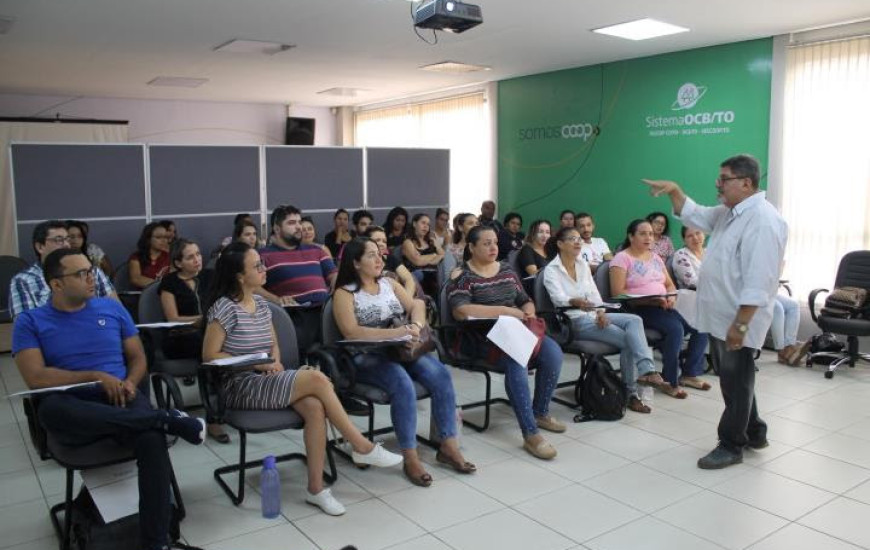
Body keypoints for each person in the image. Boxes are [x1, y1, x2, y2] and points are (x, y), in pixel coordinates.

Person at [13, 248, 207, 550]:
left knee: (152, 441)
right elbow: (35, 377)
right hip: (73, 405)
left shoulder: (112, 309)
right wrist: (95, 377)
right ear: (56, 284)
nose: (91, 278)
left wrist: (130, 381)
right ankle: (163, 417)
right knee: (51, 411)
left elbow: (137, 357)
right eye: (80, 274)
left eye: (91, 271)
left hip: (121, 399)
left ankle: (156, 543)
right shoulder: (30, 321)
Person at [202, 242, 403, 515]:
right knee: (318, 380)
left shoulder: (261, 303)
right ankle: (361, 445)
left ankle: (316, 489)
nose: (264, 269)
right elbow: (210, 355)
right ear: (239, 275)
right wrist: (259, 364)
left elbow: (273, 345)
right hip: (240, 383)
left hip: (268, 378)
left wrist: (272, 360)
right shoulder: (225, 307)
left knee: (315, 407)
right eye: (257, 266)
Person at [643, 153, 788, 469]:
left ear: (746, 183)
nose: (717, 184)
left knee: (734, 380)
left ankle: (731, 444)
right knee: (736, 376)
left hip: (740, 317)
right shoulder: (730, 212)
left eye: (724, 179)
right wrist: (674, 190)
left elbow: (760, 277)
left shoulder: (764, 220)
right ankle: (754, 430)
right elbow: (696, 214)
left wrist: (742, 323)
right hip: (723, 314)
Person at [333, 238, 475, 487]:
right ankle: (410, 456)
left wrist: (415, 328)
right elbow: (351, 332)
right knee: (402, 383)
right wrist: (395, 334)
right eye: (370, 256)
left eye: (379, 255)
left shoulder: (388, 283)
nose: (379, 260)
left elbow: (417, 304)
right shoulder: (344, 293)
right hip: (366, 357)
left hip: (400, 350)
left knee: (440, 374)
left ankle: (448, 446)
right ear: (355, 263)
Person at [447, 225, 565, 460]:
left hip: (515, 331)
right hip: (481, 338)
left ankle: (540, 412)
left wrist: (528, 311)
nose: (493, 247)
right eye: (486, 243)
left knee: (553, 352)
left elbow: (524, 300)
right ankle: (530, 433)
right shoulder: (463, 276)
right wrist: (504, 311)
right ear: (471, 247)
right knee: (516, 358)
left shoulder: (507, 270)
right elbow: (461, 310)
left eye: (494, 242)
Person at [543, 227, 665, 413]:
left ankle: (647, 371)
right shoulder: (551, 270)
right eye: (572, 239)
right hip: (573, 321)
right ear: (560, 244)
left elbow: (594, 294)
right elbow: (558, 299)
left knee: (634, 321)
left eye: (579, 239)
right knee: (629, 340)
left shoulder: (582, 265)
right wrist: (574, 301)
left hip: (592, 315)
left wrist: (600, 312)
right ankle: (631, 393)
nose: (578, 242)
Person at [609, 219, 710, 398]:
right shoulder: (621, 258)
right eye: (642, 233)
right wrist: (650, 300)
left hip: (663, 305)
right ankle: (670, 381)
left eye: (650, 234)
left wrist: (670, 297)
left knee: (699, 324)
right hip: (637, 309)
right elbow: (618, 294)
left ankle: (688, 373)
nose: (648, 237)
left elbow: (670, 285)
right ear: (631, 237)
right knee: (676, 330)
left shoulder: (655, 257)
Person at [158, 238, 229, 443]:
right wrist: (200, 320)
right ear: (178, 263)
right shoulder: (169, 282)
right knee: (208, 351)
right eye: (190, 257)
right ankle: (214, 418)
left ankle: (232, 402)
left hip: (207, 333)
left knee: (222, 344)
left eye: (198, 254)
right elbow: (172, 318)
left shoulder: (210, 277)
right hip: (179, 337)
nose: (197, 259)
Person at [258, 205, 337, 356]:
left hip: (324, 310)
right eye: (292, 223)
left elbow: (334, 274)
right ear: (277, 228)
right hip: (294, 315)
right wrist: (276, 299)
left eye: (299, 222)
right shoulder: (262, 255)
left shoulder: (316, 250)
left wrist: (336, 288)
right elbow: (252, 287)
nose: (299, 227)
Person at [9, 220, 117, 319]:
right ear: (40, 247)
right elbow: (26, 327)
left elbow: (117, 311)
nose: (66, 244)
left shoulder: (92, 271)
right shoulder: (23, 281)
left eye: (67, 239)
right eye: (59, 240)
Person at [365, 226, 417, 297]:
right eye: (377, 240)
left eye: (384, 241)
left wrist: (407, 301)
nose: (381, 244)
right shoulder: (361, 262)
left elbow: (408, 279)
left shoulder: (390, 258)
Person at [401, 213, 444, 294]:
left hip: (435, 279)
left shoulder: (431, 242)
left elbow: (442, 255)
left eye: (428, 224)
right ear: (414, 224)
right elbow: (417, 261)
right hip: (418, 280)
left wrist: (437, 246)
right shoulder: (408, 242)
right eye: (423, 223)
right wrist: (434, 256)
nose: (426, 226)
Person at [128, 222, 171, 289]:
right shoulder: (136, 257)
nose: (164, 240)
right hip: (145, 296)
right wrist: (159, 285)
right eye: (158, 237)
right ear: (148, 239)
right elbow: (136, 279)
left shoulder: (170, 256)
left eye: (165, 237)